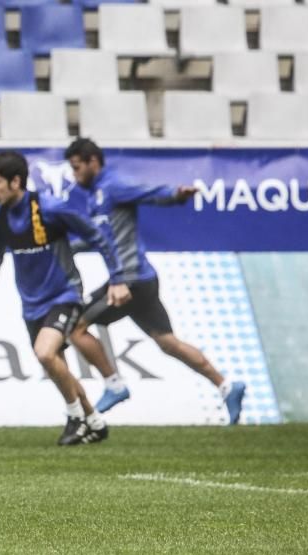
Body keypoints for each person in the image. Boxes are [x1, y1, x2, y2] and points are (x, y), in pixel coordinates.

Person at [63, 137, 247, 424]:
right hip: (141, 279)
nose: (74, 175)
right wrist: (66, 248)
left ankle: (115, 385)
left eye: (77, 168)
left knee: (76, 328)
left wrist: (176, 194)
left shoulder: (113, 185)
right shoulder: (95, 194)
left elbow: (148, 193)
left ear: (93, 162)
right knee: (168, 343)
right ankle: (226, 386)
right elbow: (99, 239)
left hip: (129, 281)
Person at [0, 151, 126, 446]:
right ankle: (94, 421)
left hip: (64, 296)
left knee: (45, 353)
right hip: (31, 304)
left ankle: (75, 416)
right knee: (56, 365)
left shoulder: (51, 208)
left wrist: (117, 278)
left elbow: (98, 237)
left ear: (16, 181)